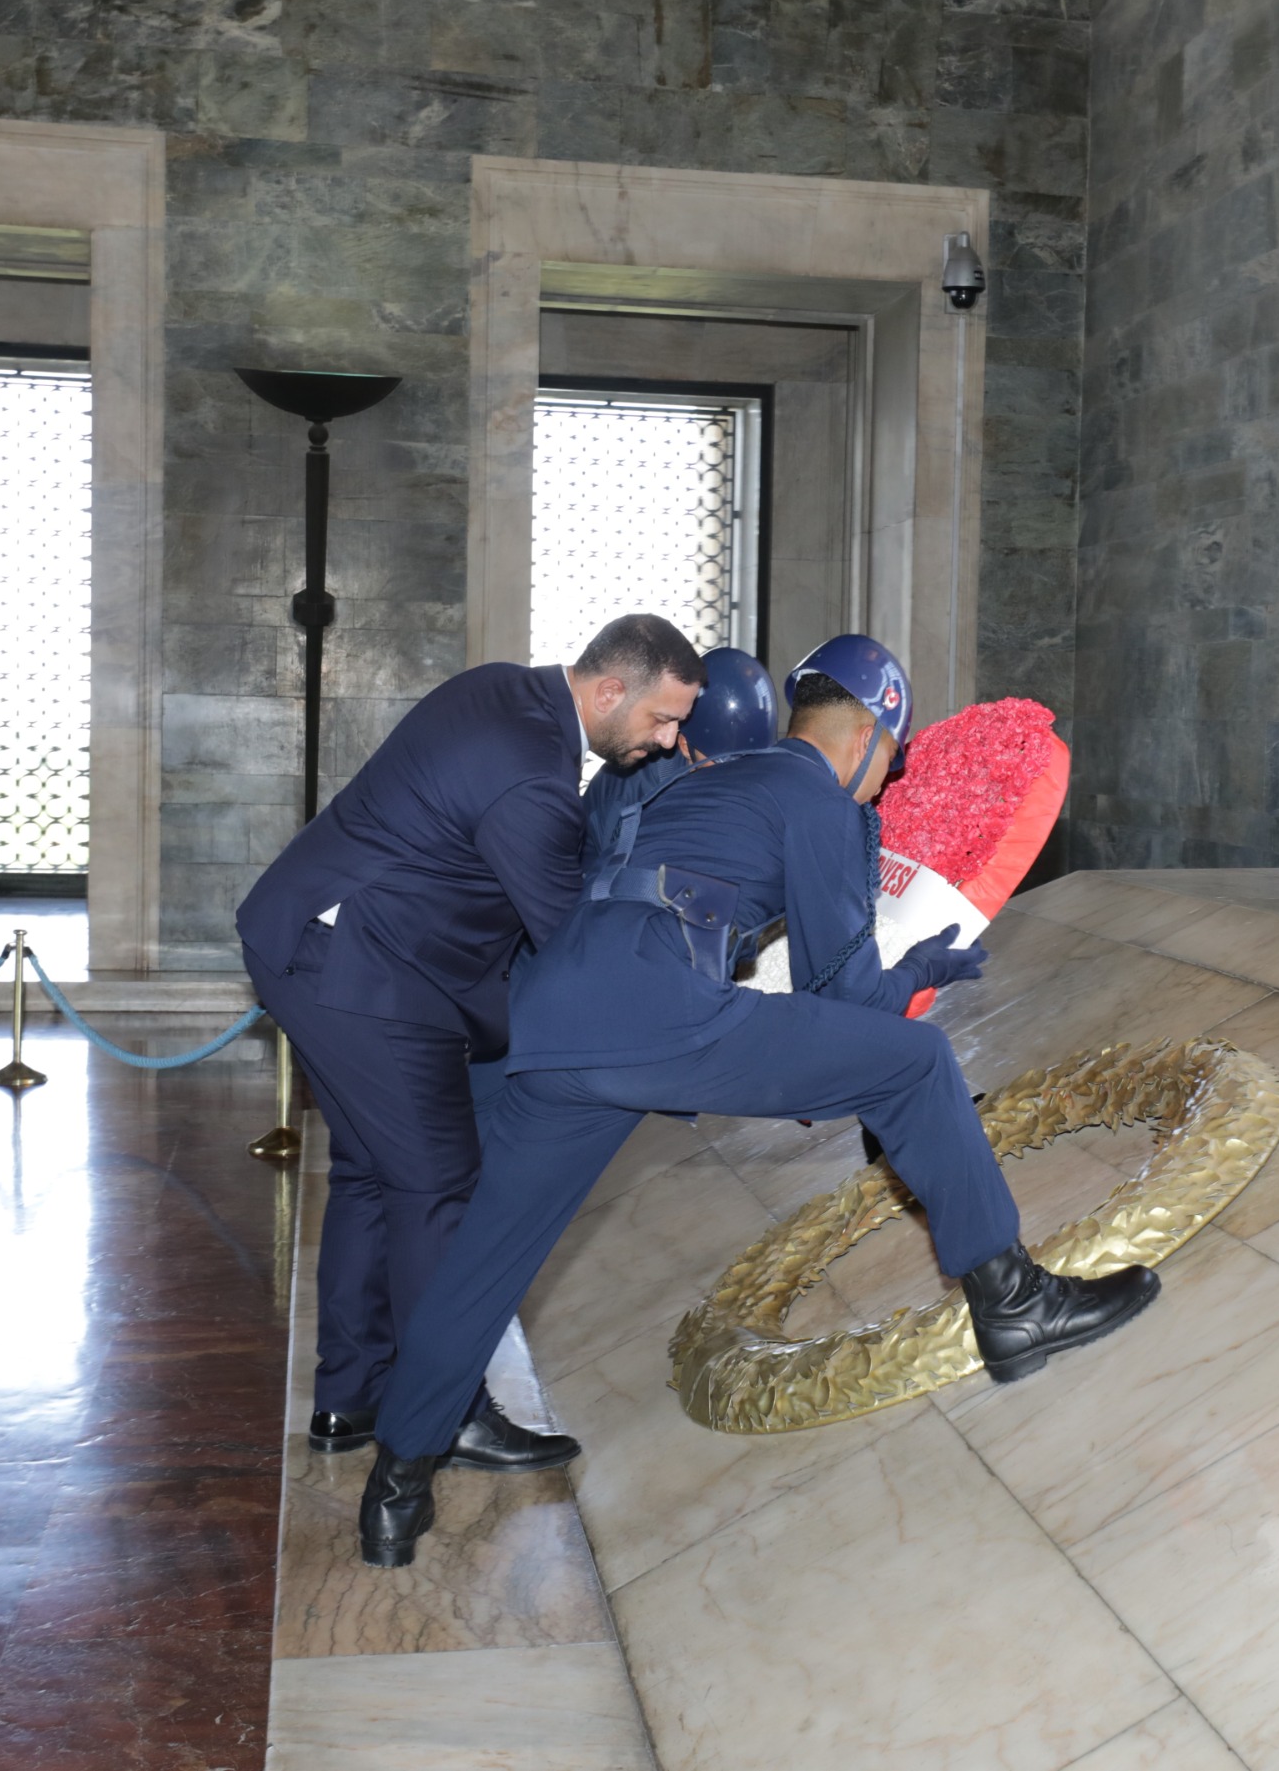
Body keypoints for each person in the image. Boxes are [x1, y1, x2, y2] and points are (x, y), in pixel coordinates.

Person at [354, 635, 1160, 1568]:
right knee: (915, 1063)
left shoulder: (711, 782)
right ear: (866, 735)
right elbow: (842, 995)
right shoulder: (817, 798)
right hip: (659, 1011)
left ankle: (394, 1491)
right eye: (890, 761)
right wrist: (921, 970)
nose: (885, 784)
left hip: (552, 1018)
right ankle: (1015, 1303)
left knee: (484, 1262)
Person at [237, 614, 705, 1473]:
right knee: (442, 1185)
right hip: (357, 971)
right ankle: (445, 1411)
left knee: (371, 1174)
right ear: (610, 692)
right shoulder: (532, 776)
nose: (671, 742)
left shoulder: (508, 688)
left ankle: (350, 1398)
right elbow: (565, 941)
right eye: (662, 721)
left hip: (314, 935)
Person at [580, 645, 779, 866]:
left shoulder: (771, 782)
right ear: (685, 745)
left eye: (749, 762)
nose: (737, 775)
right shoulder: (631, 797)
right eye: (724, 764)